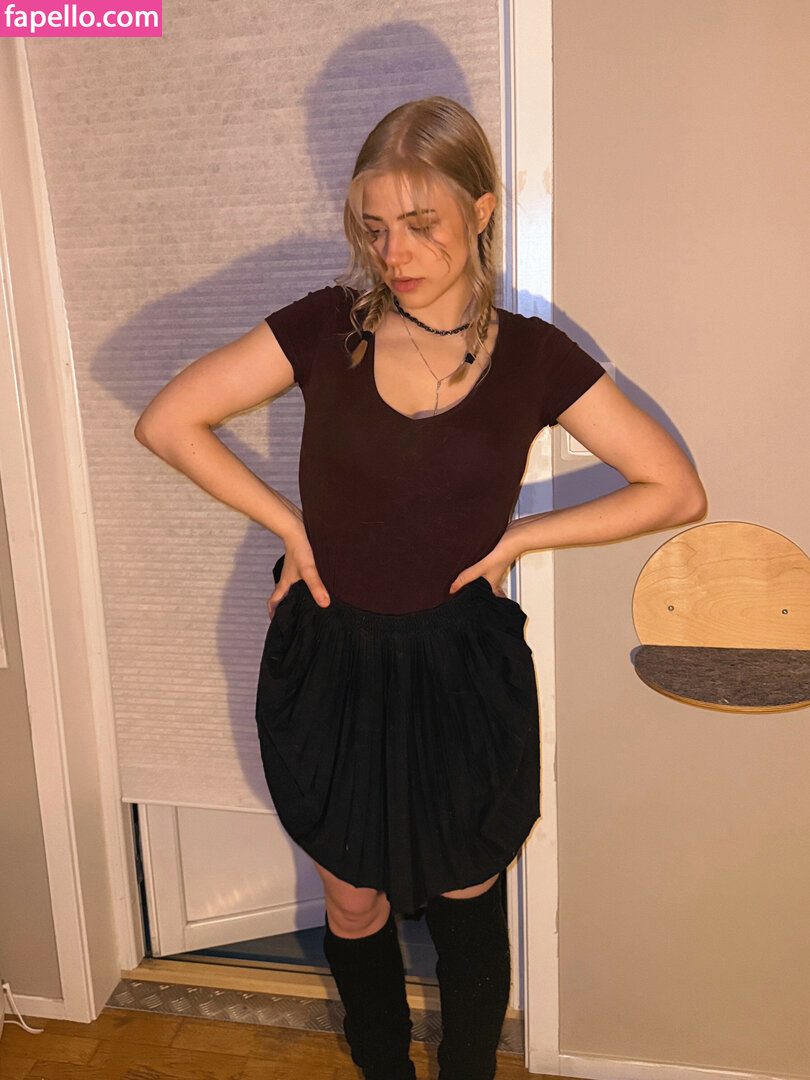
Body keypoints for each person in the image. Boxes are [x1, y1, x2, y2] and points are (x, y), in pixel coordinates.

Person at [134, 97, 706, 1080]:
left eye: (419, 223)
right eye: (374, 227)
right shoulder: (327, 328)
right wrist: (289, 526)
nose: (393, 253)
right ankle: (386, 1069)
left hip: (459, 670)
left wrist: (522, 535)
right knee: (351, 901)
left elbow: (675, 489)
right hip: (332, 661)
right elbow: (169, 421)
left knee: (466, 895)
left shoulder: (535, 356)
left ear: (481, 211)